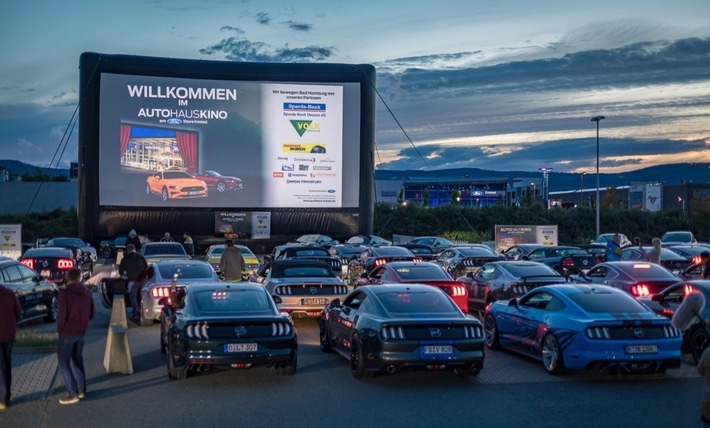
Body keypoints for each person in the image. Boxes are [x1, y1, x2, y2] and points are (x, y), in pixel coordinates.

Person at [56, 267, 94, 405]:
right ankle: (82, 390)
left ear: (68, 277)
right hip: (81, 331)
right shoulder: (87, 292)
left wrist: (60, 330)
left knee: (63, 361)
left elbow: (61, 316)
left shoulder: (64, 294)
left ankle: (72, 392)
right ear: (80, 277)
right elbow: (91, 312)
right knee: (77, 359)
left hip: (67, 332)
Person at [0, 281, 21, 410]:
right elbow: (18, 312)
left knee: (1, 365)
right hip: (9, 333)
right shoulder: (9, 293)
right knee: (6, 364)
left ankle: (3, 398)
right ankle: (6, 396)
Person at [118, 243, 148, 320]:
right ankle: (144, 311)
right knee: (144, 295)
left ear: (127, 250)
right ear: (134, 249)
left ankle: (135, 313)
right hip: (143, 279)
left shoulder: (124, 259)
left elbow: (121, 272)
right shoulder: (141, 257)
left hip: (133, 280)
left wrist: (124, 276)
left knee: (133, 296)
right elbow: (146, 267)